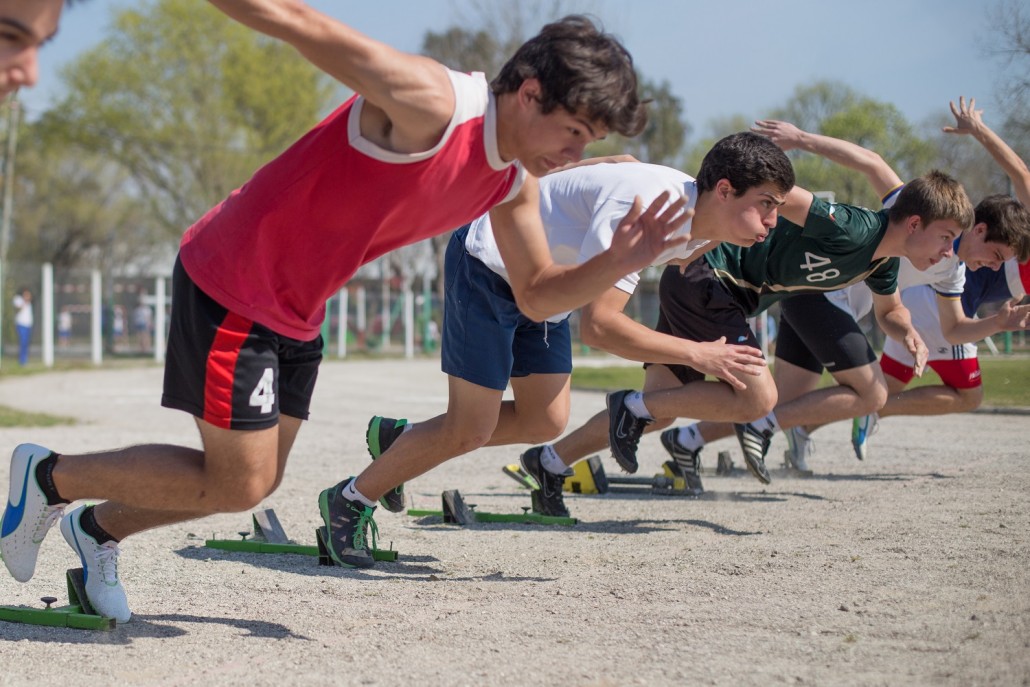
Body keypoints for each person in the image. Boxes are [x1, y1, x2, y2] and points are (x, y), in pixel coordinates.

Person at [0, 1, 690, 622]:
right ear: (531, 94)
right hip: (236, 281)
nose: (575, 155)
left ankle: (98, 531)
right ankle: (48, 476)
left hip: (297, 307)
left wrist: (620, 258)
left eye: (587, 142)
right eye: (571, 132)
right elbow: (296, 21)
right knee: (238, 481)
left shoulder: (510, 179)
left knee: (255, 479)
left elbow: (539, 291)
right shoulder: (435, 103)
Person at [353, 133, 793, 560]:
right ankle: (350, 500)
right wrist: (698, 354)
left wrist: (559, 190)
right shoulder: (647, 213)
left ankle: (402, 441)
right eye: (766, 204)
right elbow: (599, 327)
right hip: (491, 265)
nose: (772, 221)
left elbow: (622, 162)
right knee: (470, 429)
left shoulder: (704, 227)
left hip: (548, 288)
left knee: (544, 422)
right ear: (724, 190)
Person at [531, 162, 976, 498]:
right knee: (757, 397)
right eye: (945, 236)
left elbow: (889, 310)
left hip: (709, 288)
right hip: (710, 276)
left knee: (662, 407)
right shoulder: (855, 228)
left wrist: (908, 333)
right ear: (914, 223)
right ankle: (630, 406)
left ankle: (550, 460)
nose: (948, 250)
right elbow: (783, 194)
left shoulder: (881, 260)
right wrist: (745, 176)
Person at [669, 110, 1030, 478]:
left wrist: (996, 323)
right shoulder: (916, 212)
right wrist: (801, 139)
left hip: (809, 295)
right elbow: (871, 162)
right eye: (997, 256)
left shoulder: (951, 271)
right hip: (822, 299)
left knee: (782, 398)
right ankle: (757, 428)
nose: (994, 266)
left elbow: (953, 329)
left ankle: (688, 438)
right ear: (979, 231)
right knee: (871, 392)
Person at [845, 97, 1030, 461]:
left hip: (927, 295)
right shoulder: (1010, 238)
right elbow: (1021, 174)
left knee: (885, 388)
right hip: (940, 299)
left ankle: (801, 425)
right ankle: (855, 412)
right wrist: (978, 130)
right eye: (996, 256)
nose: (996, 263)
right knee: (968, 395)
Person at [12, 287, 32, 366]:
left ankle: (25, 359)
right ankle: (22, 360)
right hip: (21, 324)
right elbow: (18, 309)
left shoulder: (29, 303)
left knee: (26, 343)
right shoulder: (18, 299)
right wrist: (24, 301)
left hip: (28, 324)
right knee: (23, 342)